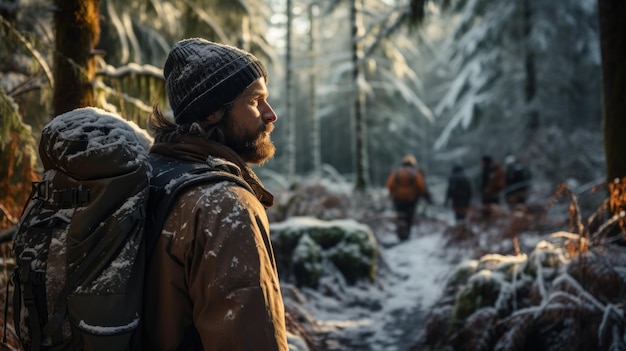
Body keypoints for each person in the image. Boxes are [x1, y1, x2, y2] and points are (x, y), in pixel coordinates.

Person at [143, 38, 288, 350]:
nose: (270, 114)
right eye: (255, 101)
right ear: (211, 113)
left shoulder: (152, 174)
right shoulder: (225, 204)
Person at [386, 154, 432, 241]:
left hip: (398, 199)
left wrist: (394, 193)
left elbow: (389, 184)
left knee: (400, 216)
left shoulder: (396, 172)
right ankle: (406, 234)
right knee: (409, 217)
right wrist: (425, 196)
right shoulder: (415, 172)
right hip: (411, 199)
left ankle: (400, 234)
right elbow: (421, 186)